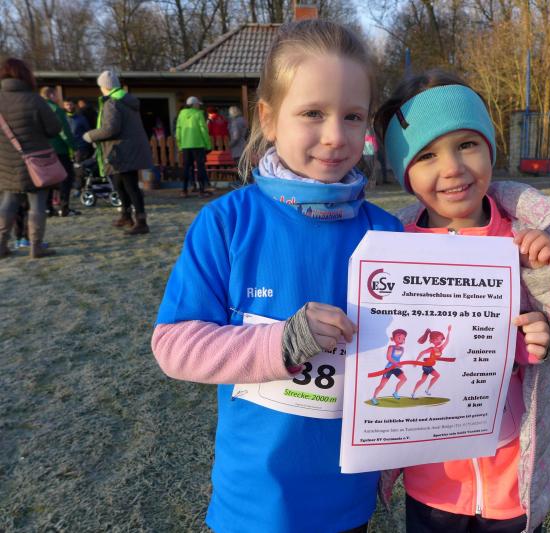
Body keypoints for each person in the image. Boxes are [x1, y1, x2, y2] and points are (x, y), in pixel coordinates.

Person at [150, 20, 407, 532]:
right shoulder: (227, 223)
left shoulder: (388, 232)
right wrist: (283, 342)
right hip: (254, 503)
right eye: (313, 113)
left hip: (348, 499)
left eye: (352, 116)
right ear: (268, 118)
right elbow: (173, 345)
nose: (335, 136)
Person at [375, 70, 550, 533]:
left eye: (467, 144)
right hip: (432, 484)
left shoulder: (535, 235)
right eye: (427, 155)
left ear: (490, 148)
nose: (453, 167)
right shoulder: (387, 247)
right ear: (405, 171)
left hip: (512, 479)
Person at [0, 58, 62, 258]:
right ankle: (36, 247)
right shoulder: (35, 100)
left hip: (6, 163)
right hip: (37, 162)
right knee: (37, 204)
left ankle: (1, 245)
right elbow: (54, 129)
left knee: (8, 202)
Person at [83, 70, 153, 235]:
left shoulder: (112, 103)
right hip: (126, 149)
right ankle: (126, 216)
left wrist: (91, 136)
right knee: (120, 184)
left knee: (130, 186)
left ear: (104, 87)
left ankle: (141, 222)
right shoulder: (126, 101)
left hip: (121, 151)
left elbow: (111, 129)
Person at [40, 87, 79, 217]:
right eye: (57, 95)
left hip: (42, 150)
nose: (59, 98)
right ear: (51, 95)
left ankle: (47, 208)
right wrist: (74, 147)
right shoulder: (56, 109)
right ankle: (64, 207)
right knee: (65, 178)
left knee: (48, 180)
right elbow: (64, 131)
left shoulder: (37, 108)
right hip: (59, 149)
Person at [176, 96, 212, 197]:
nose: (199, 106)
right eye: (198, 104)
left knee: (186, 167)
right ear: (194, 105)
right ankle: (201, 190)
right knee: (200, 167)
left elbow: (178, 130)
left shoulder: (181, 114)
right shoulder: (198, 114)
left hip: (185, 145)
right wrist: (208, 145)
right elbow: (203, 130)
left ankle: (184, 190)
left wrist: (180, 145)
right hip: (198, 145)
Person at [410, 325, 451, 398]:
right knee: (423, 380)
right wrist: (416, 361)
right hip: (426, 366)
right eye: (437, 339)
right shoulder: (432, 349)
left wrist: (449, 331)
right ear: (432, 340)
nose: (440, 341)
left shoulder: (441, 348)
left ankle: (427, 390)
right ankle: (413, 393)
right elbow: (422, 353)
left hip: (430, 366)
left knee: (436, 376)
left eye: (441, 339)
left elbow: (447, 342)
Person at [370, 328, 409, 404]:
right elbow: (389, 357)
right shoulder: (391, 347)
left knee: (404, 379)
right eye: (399, 337)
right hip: (389, 368)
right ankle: (374, 398)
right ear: (393, 338)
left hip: (396, 368)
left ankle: (395, 393)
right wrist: (396, 364)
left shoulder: (402, 349)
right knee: (382, 385)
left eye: (403, 338)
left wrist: (399, 364)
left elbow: (398, 358)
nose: (401, 340)